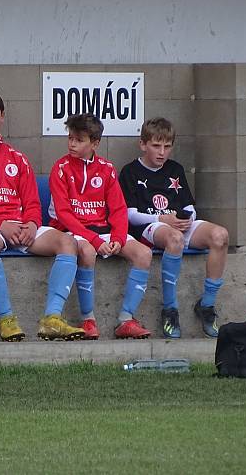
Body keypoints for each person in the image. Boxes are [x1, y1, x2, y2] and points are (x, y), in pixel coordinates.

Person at [0, 89, 83, 342]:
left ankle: (52, 319)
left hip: (22, 226)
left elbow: (32, 200)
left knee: (68, 242)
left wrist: (33, 224)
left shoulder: (18, 158)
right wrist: (1, 225)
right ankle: (6, 319)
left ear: (2, 117)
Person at [119, 117, 227, 338]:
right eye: (156, 146)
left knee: (220, 235)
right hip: (151, 227)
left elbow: (189, 206)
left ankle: (206, 305)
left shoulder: (175, 169)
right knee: (174, 239)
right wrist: (162, 220)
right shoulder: (130, 172)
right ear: (143, 144)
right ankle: (170, 309)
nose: (162, 152)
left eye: (167, 147)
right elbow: (129, 215)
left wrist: (187, 219)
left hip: (177, 225)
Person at [48, 112, 153, 340]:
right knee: (87, 251)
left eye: (79, 140)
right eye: (70, 138)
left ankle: (126, 320)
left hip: (102, 230)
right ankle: (88, 319)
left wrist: (118, 238)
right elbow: (64, 214)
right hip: (71, 230)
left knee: (144, 254)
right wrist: (95, 241)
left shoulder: (106, 169)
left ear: (95, 143)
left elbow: (117, 209)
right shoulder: (60, 168)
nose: (72, 144)